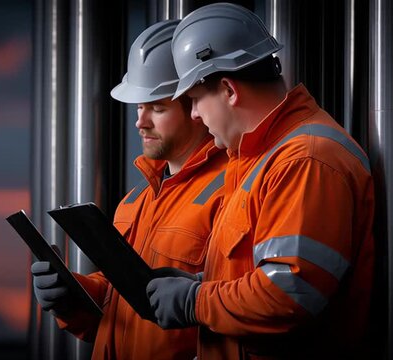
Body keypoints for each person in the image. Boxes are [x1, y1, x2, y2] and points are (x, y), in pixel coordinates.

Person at [145, 3, 375, 359]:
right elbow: (258, 276)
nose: (193, 114)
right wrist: (203, 286)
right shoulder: (257, 160)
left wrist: (196, 301)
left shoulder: (306, 160)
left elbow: (289, 295)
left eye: (193, 100)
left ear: (229, 90)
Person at [31, 19, 228, 360]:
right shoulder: (136, 201)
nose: (140, 121)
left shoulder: (232, 190)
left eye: (157, 107)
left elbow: (236, 304)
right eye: (139, 107)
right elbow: (119, 305)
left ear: (195, 105)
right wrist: (72, 294)